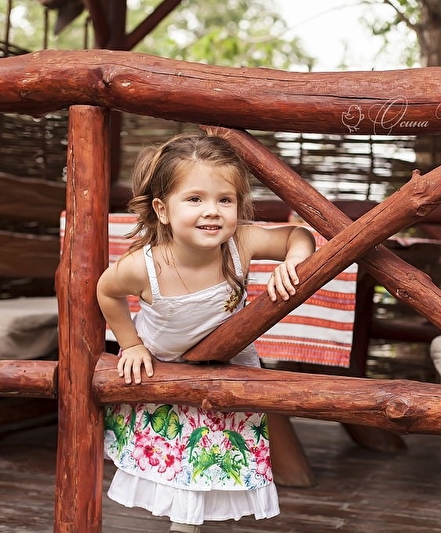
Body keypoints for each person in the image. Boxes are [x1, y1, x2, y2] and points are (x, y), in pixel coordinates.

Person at [97, 132, 316, 533]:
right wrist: (131, 344)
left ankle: (190, 525)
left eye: (225, 200)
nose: (212, 211)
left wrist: (294, 259)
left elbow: (297, 234)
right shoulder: (143, 266)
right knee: (178, 457)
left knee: (214, 456)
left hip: (226, 365)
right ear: (162, 210)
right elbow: (106, 292)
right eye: (195, 199)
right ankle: (186, 524)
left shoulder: (240, 243)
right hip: (163, 368)